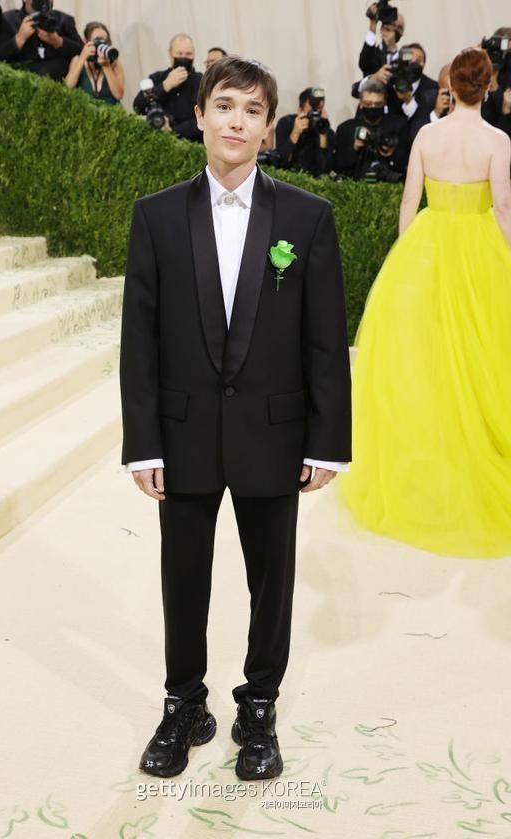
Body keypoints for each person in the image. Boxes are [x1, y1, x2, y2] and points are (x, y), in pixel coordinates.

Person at [119, 54, 351, 781]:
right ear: (199, 116)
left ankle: (258, 708)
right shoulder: (156, 215)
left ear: (269, 127)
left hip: (275, 434)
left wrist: (327, 441)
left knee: (271, 581)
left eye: (253, 111)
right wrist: (143, 443)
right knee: (182, 577)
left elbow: (324, 338)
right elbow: (139, 339)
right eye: (224, 106)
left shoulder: (307, 217)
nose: (237, 122)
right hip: (183, 432)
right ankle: (184, 703)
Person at [337, 47, 511, 558]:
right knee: (482, 354)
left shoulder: (428, 136)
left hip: (429, 248)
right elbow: (503, 207)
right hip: (480, 249)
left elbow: (409, 201)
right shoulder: (497, 140)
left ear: (450, 85)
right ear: (489, 85)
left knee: (428, 358)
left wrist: (405, 259)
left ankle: (434, 455)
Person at [133, 32, 203, 142]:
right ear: (170, 54)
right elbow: (138, 106)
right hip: (160, 143)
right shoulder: (157, 78)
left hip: (194, 145)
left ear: (194, 54)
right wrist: (165, 86)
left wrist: (172, 131)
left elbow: (205, 118)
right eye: (179, 53)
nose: (183, 57)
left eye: (188, 54)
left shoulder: (202, 81)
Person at [334, 79, 409, 181]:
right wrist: (355, 148)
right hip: (355, 184)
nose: (373, 107)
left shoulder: (399, 125)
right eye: (368, 104)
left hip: (390, 183)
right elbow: (338, 166)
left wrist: (390, 154)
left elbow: (406, 163)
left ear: (385, 102)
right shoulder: (345, 128)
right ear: (361, 103)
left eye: (378, 104)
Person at [0, 0, 83, 82]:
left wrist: (58, 42)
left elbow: (83, 50)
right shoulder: (9, 20)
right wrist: (19, 39)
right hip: (21, 83)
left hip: (59, 84)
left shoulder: (64, 20)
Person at [275, 86, 335, 177]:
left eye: (319, 110)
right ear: (300, 110)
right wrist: (295, 133)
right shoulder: (286, 123)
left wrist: (323, 134)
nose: (315, 114)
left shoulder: (327, 131)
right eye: (312, 109)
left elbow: (325, 171)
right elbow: (280, 162)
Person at [64, 21, 124, 105]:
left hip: (111, 112)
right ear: (86, 42)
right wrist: (82, 57)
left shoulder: (114, 62)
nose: (101, 45)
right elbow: (67, 88)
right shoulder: (78, 60)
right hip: (85, 112)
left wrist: (106, 66)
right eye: (97, 41)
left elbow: (119, 95)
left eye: (105, 41)